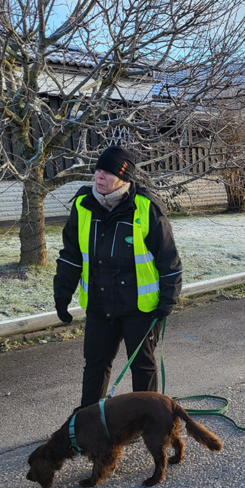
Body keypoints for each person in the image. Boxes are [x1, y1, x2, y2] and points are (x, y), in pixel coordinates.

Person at [54, 146, 183, 408]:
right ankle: (87, 423)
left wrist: (169, 299)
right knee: (95, 364)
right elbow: (71, 255)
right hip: (101, 305)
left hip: (140, 307)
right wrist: (62, 294)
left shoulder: (145, 207)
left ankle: (146, 420)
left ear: (123, 178)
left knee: (142, 365)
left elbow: (168, 258)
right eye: (97, 170)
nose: (98, 176)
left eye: (107, 172)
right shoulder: (83, 205)